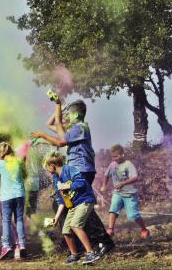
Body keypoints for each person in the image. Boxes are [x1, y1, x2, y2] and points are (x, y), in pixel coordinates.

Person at [31, 97, 115, 255]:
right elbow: (53, 125)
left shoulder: (80, 127)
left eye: (68, 114)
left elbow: (61, 141)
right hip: (78, 170)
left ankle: (102, 240)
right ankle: (83, 242)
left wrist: (42, 134)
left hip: (81, 170)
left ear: (75, 116)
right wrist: (59, 107)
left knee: (81, 205)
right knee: (68, 204)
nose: (66, 117)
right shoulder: (75, 129)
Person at [46, 151, 101, 265]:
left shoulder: (69, 169)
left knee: (75, 225)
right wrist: (56, 217)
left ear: (52, 166)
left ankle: (91, 253)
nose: (47, 170)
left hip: (84, 200)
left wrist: (67, 185)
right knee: (66, 230)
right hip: (74, 205)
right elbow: (62, 200)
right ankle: (74, 255)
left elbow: (81, 183)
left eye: (47, 167)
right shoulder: (56, 178)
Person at [100, 144, 150, 239]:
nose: (114, 159)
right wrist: (103, 186)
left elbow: (135, 177)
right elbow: (106, 175)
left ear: (122, 154)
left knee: (133, 215)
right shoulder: (112, 165)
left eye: (116, 156)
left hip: (130, 194)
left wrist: (123, 183)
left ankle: (144, 229)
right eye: (112, 157)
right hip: (117, 193)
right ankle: (110, 229)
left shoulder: (128, 164)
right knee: (113, 209)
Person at [0, 142, 27, 260]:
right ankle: (22, 244)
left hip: (6, 196)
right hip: (19, 194)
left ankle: (6, 246)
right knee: (19, 219)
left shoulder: (0, 164)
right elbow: (24, 176)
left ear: (1, 153)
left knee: (6, 221)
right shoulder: (18, 161)